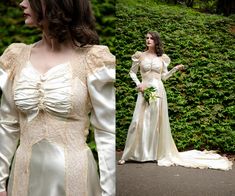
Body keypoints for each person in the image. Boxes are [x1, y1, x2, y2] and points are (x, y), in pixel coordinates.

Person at [0, 0, 115, 196]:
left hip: (75, 180)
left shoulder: (93, 59)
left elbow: (106, 132)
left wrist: (108, 192)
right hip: (23, 180)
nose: (22, 3)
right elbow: (8, 124)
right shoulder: (16, 56)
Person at [118, 31, 232, 171]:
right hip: (144, 89)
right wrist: (138, 84)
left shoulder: (162, 58)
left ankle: (153, 153)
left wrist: (175, 69)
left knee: (155, 122)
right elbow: (131, 72)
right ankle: (129, 154)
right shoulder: (139, 56)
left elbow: (164, 77)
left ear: (156, 41)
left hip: (158, 91)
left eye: (151, 38)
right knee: (138, 121)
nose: (148, 40)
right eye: (146, 38)